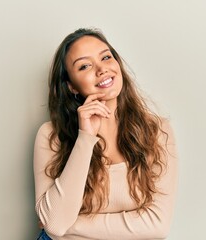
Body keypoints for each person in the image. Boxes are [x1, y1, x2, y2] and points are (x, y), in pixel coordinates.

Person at [33, 28, 178, 240]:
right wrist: (85, 138)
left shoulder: (157, 130)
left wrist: (72, 225)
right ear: (71, 86)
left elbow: (158, 225)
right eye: (85, 66)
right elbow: (55, 226)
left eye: (106, 57)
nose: (102, 69)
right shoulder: (51, 136)